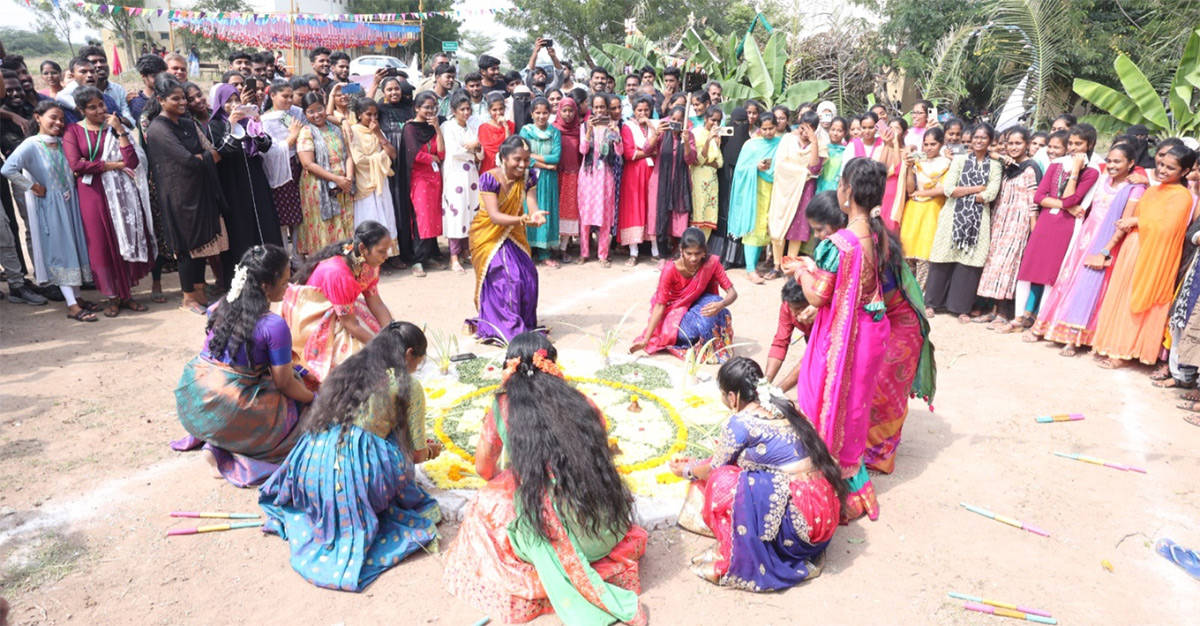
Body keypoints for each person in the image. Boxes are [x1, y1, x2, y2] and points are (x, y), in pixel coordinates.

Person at [443, 333, 648, 625]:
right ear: (551, 364)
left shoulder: (503, 407)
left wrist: (517, 476)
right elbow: (599, 455)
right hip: (605, 529)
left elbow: (483, 468)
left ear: (509, 370)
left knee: (485, 503)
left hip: (556, 533)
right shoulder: (582, 402)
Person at [260, 322, 441, 592]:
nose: (417, 366)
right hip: (353, 474)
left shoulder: (350, 367)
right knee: (396, 446)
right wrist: (431, 451)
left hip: (311, 469)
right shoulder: (408, 386)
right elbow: (414, 454)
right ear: (408, 354)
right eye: (419, 360)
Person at [669, 356, 843, 592]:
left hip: (799, 529)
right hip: (824, 514)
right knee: (740, 471)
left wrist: (688, 470)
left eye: (723, 394)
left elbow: (715, 470)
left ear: (732, 397)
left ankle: (750, 551)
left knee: (722, 481)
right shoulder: (783, 405)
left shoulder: (741, 423)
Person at [792, 157, 891, 522]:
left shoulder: (842, 242)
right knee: (853, 410)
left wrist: (801, 269)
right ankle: (856, 482)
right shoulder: (876, 232)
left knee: (828, 402)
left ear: (846, 191)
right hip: (869, 331)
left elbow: (818, 296)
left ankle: (832, 483)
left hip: (845, 336)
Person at [172, 245, 312, 485]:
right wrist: (314, 398)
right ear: (265, 286)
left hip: (193, 400)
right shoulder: (273, 325)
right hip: (229, 407)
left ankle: (215, 440)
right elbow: (284, 383)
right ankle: (223, 450)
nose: (288, 287)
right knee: (299, 409)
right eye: (285, 281)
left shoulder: (218, 307)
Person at [1030, 144, 1144, 353]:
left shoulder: (1135, 189)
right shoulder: (1102, 179)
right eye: (1109, 160)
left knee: (1090, 287)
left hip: (1108, 241)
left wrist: (1105, 251)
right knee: (1069, 281)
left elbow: (1124, 222)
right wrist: (1075, 172)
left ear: (1131, 164)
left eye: (1117, 162)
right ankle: (1054, 327)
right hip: (1085, 236)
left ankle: (1075, 339)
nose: (1111, 165)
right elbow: (1069, 198)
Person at [1090, 144, 1196, 368]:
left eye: (1170, 168)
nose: (1162, 170)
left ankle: (1123, 352)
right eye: (1161, 164)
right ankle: (1112, 345)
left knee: (1136, 299)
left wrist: (1137, 221)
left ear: (1184, 172)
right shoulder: (1153, 190)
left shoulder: (1182, 196)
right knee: (1122, 298)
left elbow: (1167, 229)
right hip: (1133, 249)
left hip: (1153, 255)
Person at [63, 86, 155, 317]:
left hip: (121, 193)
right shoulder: (73, 132)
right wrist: (113, 165)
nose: (99, 110)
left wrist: (120, 131)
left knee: (123, 237)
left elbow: (131, 161)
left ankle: (127, 296)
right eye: (92, 107)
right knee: (102, 244)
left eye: (101, 105)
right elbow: (76, 165)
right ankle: (112, 297)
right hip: (92, 194)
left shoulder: (114, 128)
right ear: (81, 110)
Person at [1, 100, 92, 320]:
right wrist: (32, 186)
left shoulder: (63, 142)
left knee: (75, 248)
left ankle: (78, 298)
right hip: (51, 206)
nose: (59, 122)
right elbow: (7, 168)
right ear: (38, 117)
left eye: (61, 119)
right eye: (53, 117)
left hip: (71, 203)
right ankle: (71, 305)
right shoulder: (31, 144)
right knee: (61, 251)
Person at [145, 74, 228, 313]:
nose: (182, 103)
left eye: (183, 98)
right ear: (160, 99)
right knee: (187, 247)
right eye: (175, 99)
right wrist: (204, 158)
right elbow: (187, 161)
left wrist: (203, 158)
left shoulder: (188, 123)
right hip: (179, 196)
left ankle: (200, 293)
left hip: (201, 191)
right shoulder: (158, 129)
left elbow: (211, 151)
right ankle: (188, 297)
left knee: (203, 245)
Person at [1011, 124, 1101, 330]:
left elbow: (1070, 198)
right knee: (1028, 269)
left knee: (1052, 275)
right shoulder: (1056, 164)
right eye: (1070, 143)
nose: (1073, 148)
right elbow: (1039, 197)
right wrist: (1066, 206)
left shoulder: (1092, 172)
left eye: (1079, 144)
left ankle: (1041, 321)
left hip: (1066, 227)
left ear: (1090, 145)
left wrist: (1076, 171)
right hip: (1046, 222)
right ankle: (1017, 317)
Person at [282, 221, 395, 381]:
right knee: (356, 356)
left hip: (342, 310)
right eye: (381, 251)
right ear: (363, 248)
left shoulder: (369, 264)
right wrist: (382, 347)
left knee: (383, 329)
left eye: (387, 251)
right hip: (314, 318)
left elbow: (376, 303)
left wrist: (394, 331)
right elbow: (351, 325)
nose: (386, 257)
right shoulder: (338, 274)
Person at [864, 227, 937, 474]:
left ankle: (881, 455)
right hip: (884, 322)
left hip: (904, 328)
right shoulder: (872, 254)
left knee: (883, 387)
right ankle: (866, 447)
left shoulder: (878, 263)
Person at [467, 136, 545, 343]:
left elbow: (532, 204)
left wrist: (535, 214)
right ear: (503, 157)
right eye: (517, 159)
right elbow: (494, 216)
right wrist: (522, 219)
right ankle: (506, 327)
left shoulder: (529, 177)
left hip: (514, 233)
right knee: (509, 276)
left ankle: (522, 323)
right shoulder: (489, 178)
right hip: (488, 234)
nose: (522, 164)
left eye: (526, 160)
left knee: (529, 275)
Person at [924, 124, 1003, 321]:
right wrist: (976, 188)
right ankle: (932, 303)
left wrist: (968, 191)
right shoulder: (959, 160)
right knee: (943, 258)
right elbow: (950, 189)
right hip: (952, 216)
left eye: (983, 138)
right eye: (976, 137)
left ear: (989, 141)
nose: (978, 140)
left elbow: (990, 194)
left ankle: (960, 308)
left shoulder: (995, 166)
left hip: (978, 220)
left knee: (968, 262)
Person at [208, 84, 283, 282]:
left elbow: (265, 146)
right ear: (219, 103)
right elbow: (222, 151)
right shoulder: (214, 125)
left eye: (236, 100)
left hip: (256, 181)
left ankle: (269, 274)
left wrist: (256, 126)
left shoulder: (248, 121)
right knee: (240, 229)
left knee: (264, 223)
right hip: (232, 184)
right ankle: (241, 280)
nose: (234, 105)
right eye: (228, 101)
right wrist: (231, 126)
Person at [630, 227, 738, 362]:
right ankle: (690, 340)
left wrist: (720, 305)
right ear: (681, 250)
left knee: (719, 306)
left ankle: (704, 338)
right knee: (701, 327)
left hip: (695, 305)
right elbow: (660, 305)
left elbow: (732, 293)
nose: (693, 258)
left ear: (704, 251)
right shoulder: (670, 269)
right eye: (689, 253)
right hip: (673, 313)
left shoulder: (711, 264)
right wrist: (646, 340)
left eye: (698, 253)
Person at [974, 126, 1043, 327]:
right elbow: (987, 151)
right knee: (994, 266)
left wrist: (1033, 231)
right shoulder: (1006, 166)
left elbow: (1033, 203)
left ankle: (1004, 314)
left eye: (1018, 143)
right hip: (999, 221)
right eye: (1010, 143)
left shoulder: (1031, 168)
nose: (1013, 147)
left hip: (1018, 223)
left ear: (1027, 145)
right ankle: (993, 311)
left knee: (1007, 268)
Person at [295, 92, 354, 257]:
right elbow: (308, 163)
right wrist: (336, 179)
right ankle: (323, 265)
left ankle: (344, 263)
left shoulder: (336, 128)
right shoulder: (306, 131)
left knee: (344, 222)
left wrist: (348, 178)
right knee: (324, 224)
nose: (316, 115)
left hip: (344, 185)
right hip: (319, 186)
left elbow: (349, 156)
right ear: (305, 113)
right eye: (311, 112)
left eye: (319, 109)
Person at [768, 110, 825, 273]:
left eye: (809, 129)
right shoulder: (787, 140)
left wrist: (814, 143)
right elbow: (779, 164)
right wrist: (803, 172)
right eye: (802, 128)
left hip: (804, 190)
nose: (804, 132)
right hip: (784, 188)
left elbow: (815, 168)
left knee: (797, 227)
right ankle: (776, 265)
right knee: (778, 224)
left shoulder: (819, 144)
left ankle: (790, 267)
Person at [728, 115, 782, 284]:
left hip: (774, 189)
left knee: (766, 227)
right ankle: (750, 269)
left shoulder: (781, 143)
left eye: (771, 128)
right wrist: (755, 167)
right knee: (754, 227)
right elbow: (740, 169)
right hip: (754, 190)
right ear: (759, 128)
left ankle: (754, 266)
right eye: (764, 129)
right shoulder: (751, 145)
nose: (768, 132)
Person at [399, 91, 446, 277]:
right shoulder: (410, 128)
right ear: (416, 108)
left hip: (435, 178)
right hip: (419, 178)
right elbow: (415, 155)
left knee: (434, 216)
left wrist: (437, 129)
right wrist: (432, 157)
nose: (430, 111)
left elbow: (441, 153)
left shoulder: (434, 126)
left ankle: (430, 255)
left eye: (433, 107)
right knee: (422, 217)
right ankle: (417, 259)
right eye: (426, 107)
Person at [898, 127, 950, 288]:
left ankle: (921, 295)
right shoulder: (918, 160)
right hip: (913, 209)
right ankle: (907, 294)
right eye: (925, 144)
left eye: (933, 144)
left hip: (933, 209)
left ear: (941, 144)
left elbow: (945, 189)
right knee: (907, 253)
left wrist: (921, 192)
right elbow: (910, 190)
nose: (928, 148)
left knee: (925, 255)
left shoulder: (947, 163)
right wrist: (907, 167)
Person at [347, 97, 399, 257]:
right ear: (359, 114)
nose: (373, 118)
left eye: (376, 114)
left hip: (381, 181)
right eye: (369, 114)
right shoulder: (353, 131)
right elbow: (359, 160)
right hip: (365, 183)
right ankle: (368, 256)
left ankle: (387, 254)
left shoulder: (377, 130)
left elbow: (393, 154)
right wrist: (382, 156)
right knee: (369, 217)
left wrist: (378, 134)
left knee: (386, 215)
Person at [259, 80, 304, 253]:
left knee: (299, 217)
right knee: (283, 218)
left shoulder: (297, 113)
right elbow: (268, 150)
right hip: (277, 171)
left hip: (298, 165)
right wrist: (292, 137)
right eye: (285, 96)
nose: (289, 100)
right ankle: (284, 257)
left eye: (291, 96)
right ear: (273, 96)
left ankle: (298, 257)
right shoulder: (264, 120)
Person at [578, 94, 622, 266]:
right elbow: (582, 150)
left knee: (604, 215)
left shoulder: (612, 127)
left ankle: (603, 254)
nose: (598, 110)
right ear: (591, 108)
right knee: (586, 214)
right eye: (595, 107)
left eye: (602, 107)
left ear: (606, 108)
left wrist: (615, 134)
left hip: (605, 176)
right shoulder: (584, 127)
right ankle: (584, 252)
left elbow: (619, 151)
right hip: (588, 176)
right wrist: (589, 131)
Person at [441, 93, 483, 274]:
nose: (466, 113)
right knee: (456, 212)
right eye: (462, 109)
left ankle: (467, 251)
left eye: (468, 109)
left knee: (472, 210)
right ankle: (453, 257)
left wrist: (475, 147)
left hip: (472, 174)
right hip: (456, 175)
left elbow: (481, 152)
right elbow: (455, 150)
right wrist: (473, 148)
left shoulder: (472, 127)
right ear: (453, 110)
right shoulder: (448, 126)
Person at [520, 97, 563, 266]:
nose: (541, 116)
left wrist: (534, 157)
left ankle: (545, 253)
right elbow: (523, 156)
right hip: (529, 177)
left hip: (548, 179)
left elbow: (556, 157)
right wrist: (543, 164)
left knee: (545, 210)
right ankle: (526, 251)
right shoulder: (525, 131)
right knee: (528, 210)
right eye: (537, 112)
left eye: (545, 112)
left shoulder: (554, 132)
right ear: (532, 114)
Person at [618, 96, 661, 265]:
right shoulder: (627, 127)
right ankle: (633, 251)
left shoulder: (655, 125)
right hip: (634, 173)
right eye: (639, 110)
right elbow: (630, 154)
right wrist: (649, 151)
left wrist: (652, 130)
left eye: (646, 110)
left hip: (652, 171)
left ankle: (656, 250)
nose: (643, 113)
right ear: (633, 111)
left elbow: (658, 147)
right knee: (634, 208)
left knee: (652, 207)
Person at [711, 107, 750, 268]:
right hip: (724, 183)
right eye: (736, 123)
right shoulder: (723, 138)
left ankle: (735, 258)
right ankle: (719, 255)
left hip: (742, 187)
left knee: (737, 218)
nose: (739, 126)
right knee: (723, 216)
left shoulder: (749, 141)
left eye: (743, 123)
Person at [686, 105, 723, 236]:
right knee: (698, 212)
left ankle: (701, 248)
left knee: (710, 214)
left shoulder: (717, 135)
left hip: (712, 180)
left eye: (719, 121)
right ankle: (693, 246)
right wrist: (708, 140)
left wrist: (715, 142)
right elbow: (699, 159)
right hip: (699, 179)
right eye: (713, 120)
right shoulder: (697, 133)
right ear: (706, 119)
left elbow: (719, 162)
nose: (716, 123)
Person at [553, 96, 581, 258]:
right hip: (554, 174)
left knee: (568, 212)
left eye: (571, 111)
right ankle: (550, 247)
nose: (568, 114)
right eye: (564, 110)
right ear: (559, 111)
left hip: (573, 176)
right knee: (553, 210)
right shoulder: (553, 129)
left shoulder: (580, 130)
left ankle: (563, 248)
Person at [477, 92, 513, 175]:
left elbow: (508, 150)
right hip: (488, 169)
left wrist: (506, 128)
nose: (498, 112)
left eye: (501, 109)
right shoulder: (483, 128)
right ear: (489, 111)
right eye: (494, 110)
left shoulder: (511, 125)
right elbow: (485, 152)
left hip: (505, 170)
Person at [815, 116, 848, 193]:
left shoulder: (846, 152)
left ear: (845, 133)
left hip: (837, 191)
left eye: (839, 131)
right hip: (820, 188)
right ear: (829, 130)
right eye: (833, 130)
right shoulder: (822, 149)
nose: (835, 133)